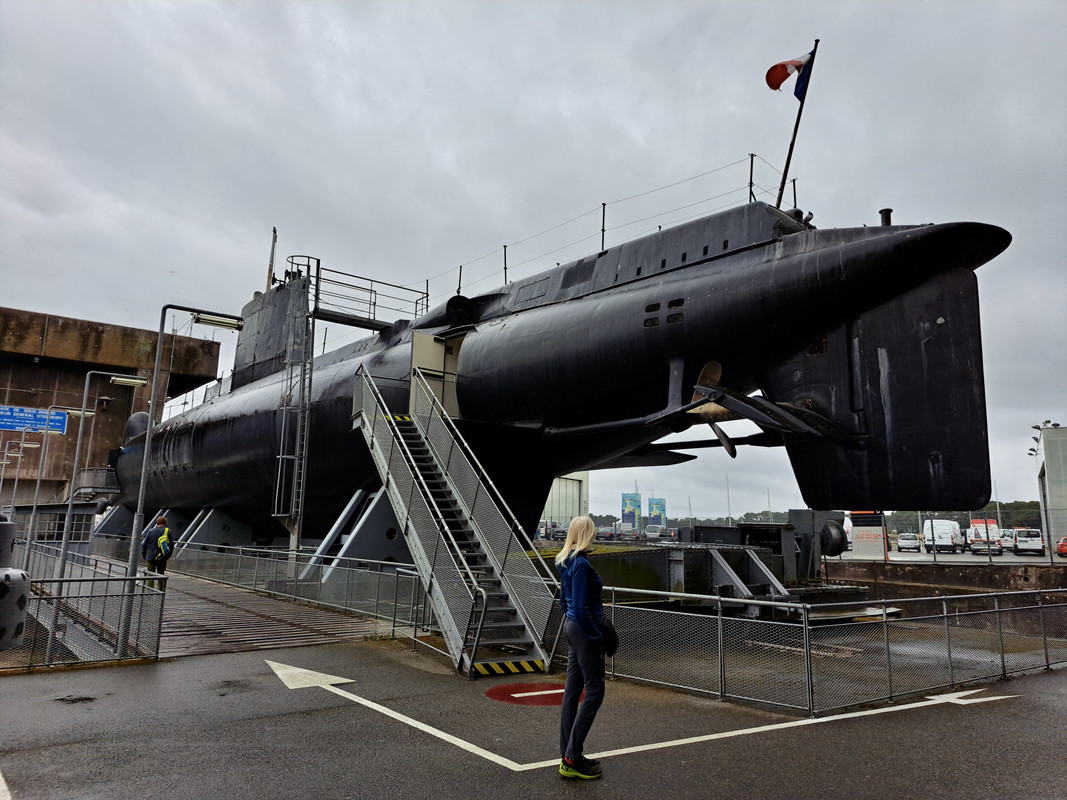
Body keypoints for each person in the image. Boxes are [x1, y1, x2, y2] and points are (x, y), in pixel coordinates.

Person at [555, 515, 605, 780]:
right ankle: (572, 759)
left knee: (572, 692)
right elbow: (584, 608)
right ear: (588, 533)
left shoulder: (567, 561)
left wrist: (574, 623)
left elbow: (566, 601)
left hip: (571, 625)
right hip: (583, 629)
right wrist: (597, 638)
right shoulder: (583, 564)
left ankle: (568, 753)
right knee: (595, 691)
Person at [140, 516, 173, 590]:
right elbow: (171, 545)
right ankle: (160, 591)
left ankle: (149, 591)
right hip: (162, 557)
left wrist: (144, 554)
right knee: (161, 575)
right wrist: (168, 556)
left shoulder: (151, 531)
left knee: (150, 575)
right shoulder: (168, 531)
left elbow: (143, 544)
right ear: (165, 523)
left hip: (150, 556)